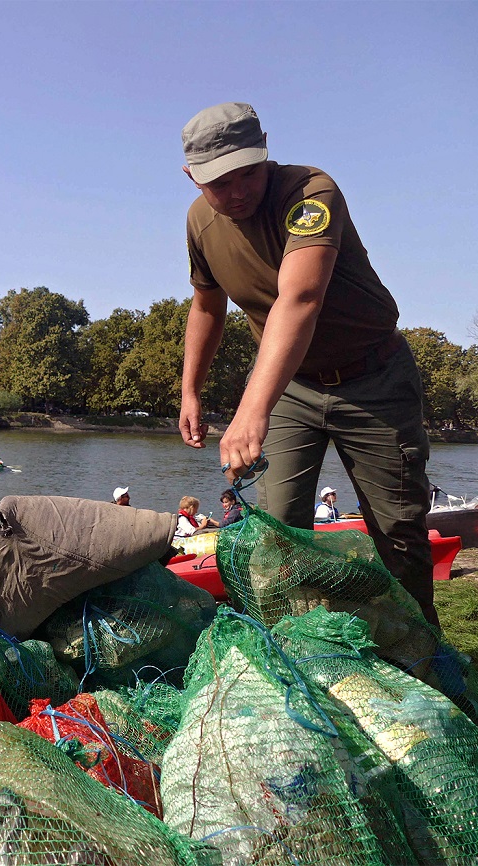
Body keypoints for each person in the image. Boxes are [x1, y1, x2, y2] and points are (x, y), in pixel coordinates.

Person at [175, 101, 437, 625]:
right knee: (278, 526)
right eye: (219, 183)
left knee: (397, 529)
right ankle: (292, 646)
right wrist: (191, 390)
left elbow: (300, 299)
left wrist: (251, 409)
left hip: (373, 378)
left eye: (248, 173)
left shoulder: (311, 192)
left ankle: (419, 647)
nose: (237, 191)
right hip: (292, 386)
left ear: (265, 151)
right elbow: (206, 305)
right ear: (192, 177)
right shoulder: (200, 222)